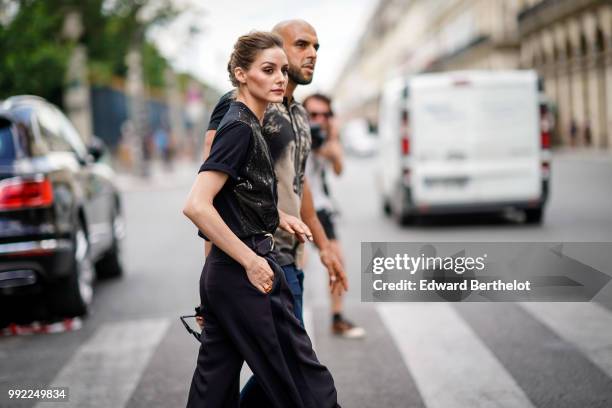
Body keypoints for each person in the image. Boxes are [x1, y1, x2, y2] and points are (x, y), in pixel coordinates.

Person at [183, 31, 341, 408]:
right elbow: (197, 205)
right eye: (267, 70)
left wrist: (279, 215)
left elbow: (232, 194)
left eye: (282, 71)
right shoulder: (238, 126)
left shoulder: (251, 123)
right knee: (308, 385)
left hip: (228, 276)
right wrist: (251, 261)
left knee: (213, 390)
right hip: (246, 275)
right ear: (241, 74)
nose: (279, 79)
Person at [303, 93, 366, 339]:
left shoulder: (326, 139)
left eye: (325, 114)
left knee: (337, 261)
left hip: (320, 207)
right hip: (293, 206)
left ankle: (337, 317)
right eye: (313, 114)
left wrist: (331, 140)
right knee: (297, 263)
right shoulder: (293, 131)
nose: (319, 119)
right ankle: (290, 321)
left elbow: (339, 170)